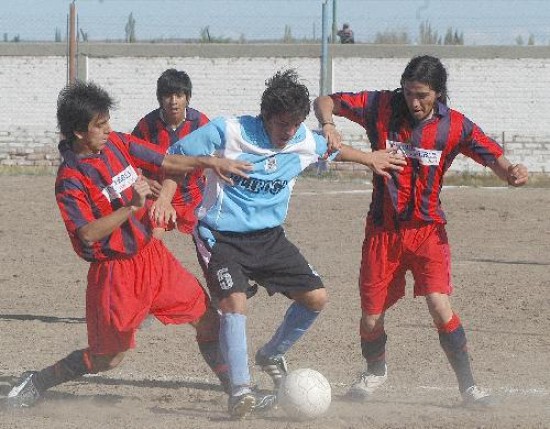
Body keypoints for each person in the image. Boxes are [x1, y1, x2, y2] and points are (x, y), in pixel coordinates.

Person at [164, 69, 406, 418]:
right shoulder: (228, 131)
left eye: (295, 125)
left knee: (316, 298)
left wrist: (371, 158)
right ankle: (241, 391)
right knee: (234, 304)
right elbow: (172, 159)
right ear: (265, 116)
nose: (288, 132)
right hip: (221, 237)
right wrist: (171, 195)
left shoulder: (303, 139)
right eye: (281, 125)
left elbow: (332, 150)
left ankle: (272, 353)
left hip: (269, 238)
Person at [7, 81, 252, 408]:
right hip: (115, 274)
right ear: (80, 132)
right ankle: (38, 381)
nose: (109, 129)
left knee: (208, 319)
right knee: (107, 359)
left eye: (108, 121)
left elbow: (168, 161)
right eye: (101, 124)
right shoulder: (70, 179)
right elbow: (87, 234)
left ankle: (237, 395)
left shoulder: (117, 144)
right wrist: (131, 208)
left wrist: (210, 163)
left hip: (153, 257)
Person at [313, 55, 529, 407]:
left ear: (438, 94)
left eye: (423, 95)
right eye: (409, 93)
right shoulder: (381, 105)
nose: (414, 102)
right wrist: (327, 124)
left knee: (438, 304)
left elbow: (493, 157)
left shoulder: (454, 125)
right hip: (383, 231)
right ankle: (375, 371)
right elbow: (325, 100)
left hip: (428, 231)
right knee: (370, 318)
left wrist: (511, 172)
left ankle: (469, 388)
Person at [132, 68, 209, 235]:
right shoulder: (146, 126)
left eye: (179, 96)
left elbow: (216, 156)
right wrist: (144, 179)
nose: (173, 101)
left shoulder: (200, 124)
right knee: (153, 240)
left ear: (187, 98)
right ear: (160, 99)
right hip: (158, 194)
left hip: (193, 196)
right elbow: (127, 161)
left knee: (206, 240)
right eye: (168, 96)